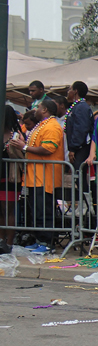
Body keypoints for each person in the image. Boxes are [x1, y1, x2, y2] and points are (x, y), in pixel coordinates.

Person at [9, 99, 64, 252]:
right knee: (36, 212)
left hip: (46, 177)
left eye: (38, 107)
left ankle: (47, 243)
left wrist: (24, 147)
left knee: (44, 211)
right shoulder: (41, 125)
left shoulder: (52, 126)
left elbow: (48, 149)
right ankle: (39, 240)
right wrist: (23, 142)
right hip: (35, 177)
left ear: (45, 110)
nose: (36, 110)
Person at [0, 106, 24, 253]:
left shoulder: (16, 135)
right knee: (0, 211)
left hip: (10, 177)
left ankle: (9, 242)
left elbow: (21, 156)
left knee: (8, 210)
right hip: (3, 176)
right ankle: (1, 240)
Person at [65, 81, 94, 191]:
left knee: (79, 176)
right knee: (77, 176)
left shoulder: (81, 107)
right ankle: (85, 203)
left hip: (81, 147)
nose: (68, 92)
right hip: (78, 147)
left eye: (70, 89)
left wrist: (73, 148)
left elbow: (81, 129)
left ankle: (87, 204)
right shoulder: (76, 106)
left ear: (75, 91)